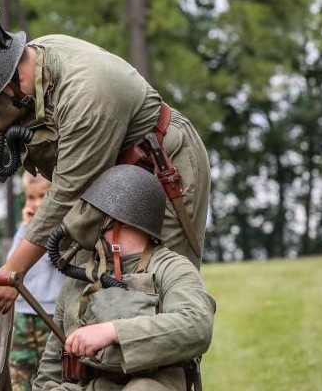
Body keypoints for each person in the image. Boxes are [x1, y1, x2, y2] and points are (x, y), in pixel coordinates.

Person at [0, 32, 211, 316]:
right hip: (112, 181)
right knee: (97, 299)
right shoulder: (37, 61)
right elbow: (18, 133)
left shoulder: (88, 93)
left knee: (156, 292)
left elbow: (65, 193)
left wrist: (13, 271)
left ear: (13, 85)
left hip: (161, 167)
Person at [33, 165, 215, 390]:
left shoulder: (173, 268)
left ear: (120, 218)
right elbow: (52, 366)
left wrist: (113, 331)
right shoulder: (78, 280)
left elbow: (197, 326)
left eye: (96, 212)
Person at [9, 172, 66, 391]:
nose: (36, 203)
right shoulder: (24, 231)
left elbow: (56, 261)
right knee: (19, 374)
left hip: (51, 314)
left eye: (43, 196)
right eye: (31, 198)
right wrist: (26, 228)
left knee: (53, 374)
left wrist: (42, 232)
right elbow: (12, 265)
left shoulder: (62, 231)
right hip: (24, 312)